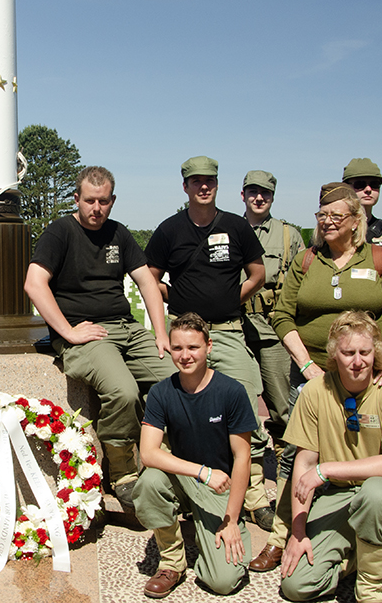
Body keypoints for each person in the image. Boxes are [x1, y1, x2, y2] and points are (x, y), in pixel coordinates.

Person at [252, 182, 382, 575]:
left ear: (356, 220)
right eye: (321, 215)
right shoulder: (308, 260)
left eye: (335, 216)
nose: (326, 222)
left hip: (369, 374)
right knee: (296, 456)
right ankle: (284, 535)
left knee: (371, 451)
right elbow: (282, 314)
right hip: (313, 376)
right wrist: (306, 363)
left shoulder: (378, 258)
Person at [24, 166, 174, 510]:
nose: (96, 209)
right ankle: (123, 471)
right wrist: (68, 332)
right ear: (76, 198)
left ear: (112, 200)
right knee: (123, 391)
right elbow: (34, 283)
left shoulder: (118, 234)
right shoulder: (60, 232)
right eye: (89, 201)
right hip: (86, 334)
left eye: (103, 201)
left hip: (126, 327)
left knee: (174, 379)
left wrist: (161, 334)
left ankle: (169, 458)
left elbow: (147, 282)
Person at [146, 157, 272, 529]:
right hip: (184, 333)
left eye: (210, 181)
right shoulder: (169, 230)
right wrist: (173, 297)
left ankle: (254, 497)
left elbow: (258, 273)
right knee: (174, 405)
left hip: (227, 329)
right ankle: (184, 485)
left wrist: (233, 297)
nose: (204, 187)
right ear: (184, 186)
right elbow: (149, 278)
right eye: (196, 181)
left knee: (246, 400)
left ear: (217, 185)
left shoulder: (235, 225)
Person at [279, 311, 382, 603]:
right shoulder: (316, 392)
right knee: (297, 587)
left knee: (375, 493)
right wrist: (297, 532)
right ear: (334, 354)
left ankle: (370, 590)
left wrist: (327, 469)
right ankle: (370, 552)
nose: (357, 361)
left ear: (377, 353)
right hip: (341, 495)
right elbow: (304, 464)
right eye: (348, 353)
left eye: (365, 352)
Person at [133, 312, 255, 598]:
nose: (185, 355)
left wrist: (232, 520)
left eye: (193, 347)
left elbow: (243, 458)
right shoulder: (162, 392)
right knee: (149, 482)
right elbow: (149, 454)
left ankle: (208, 540)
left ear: (209, 347)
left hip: (220, 488)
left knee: (223, 582)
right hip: (188, 477)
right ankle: (172, 562)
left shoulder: (231, 391)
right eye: (177, 348)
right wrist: (201, 471)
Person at [238, 170, 304, 470]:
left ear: (273, 197)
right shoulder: (228, 228)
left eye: (265, 193)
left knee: (282, 405)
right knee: (239, 400)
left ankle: (287, 464)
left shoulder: (288, 235)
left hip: (272, 328)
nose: (258, 197)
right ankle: (242, 463)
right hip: (236, 327)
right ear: (243, 195)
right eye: (252, 192)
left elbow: (301, 281)